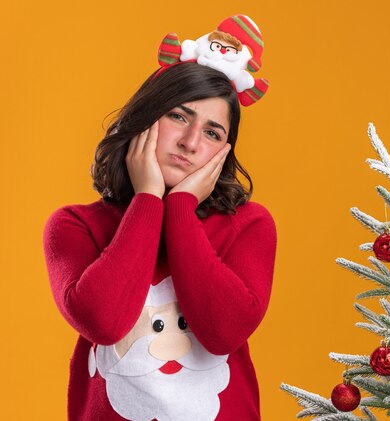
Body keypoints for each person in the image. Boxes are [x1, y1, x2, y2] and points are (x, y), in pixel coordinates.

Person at [43, 16, 276, 421]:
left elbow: (224, 332)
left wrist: (181, 208)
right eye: (179, 117)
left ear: (224, 152)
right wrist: (150, 199)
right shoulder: (74, 225)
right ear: (145, 118)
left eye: (213, 133)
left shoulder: (249, 225)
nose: (190, 142)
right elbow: (104, 322)